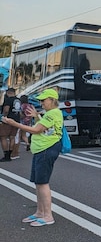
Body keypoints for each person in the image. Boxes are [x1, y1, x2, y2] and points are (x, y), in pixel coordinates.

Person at [0, 88, 63, 227]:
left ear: (52, 100)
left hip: (46, 149)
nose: (41, 102)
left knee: (42, 182)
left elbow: (37, 130)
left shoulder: (52, 113)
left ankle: (47, 215)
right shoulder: (50, 114)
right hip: (42, 149)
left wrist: (14, 123)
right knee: (38, 182)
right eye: (40, 100)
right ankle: (40, 212)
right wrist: (36, 116)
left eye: (44, 100)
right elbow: (46, 129)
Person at [0, 87, 21, 162]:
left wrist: (3, 117)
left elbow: (6, 110)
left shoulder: (8, 99)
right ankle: (10, 154)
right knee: (12, 137)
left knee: (3, 137)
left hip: (8, 120)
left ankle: (6, 155)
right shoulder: (18, 100)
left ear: (8, 92)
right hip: (16, 120)